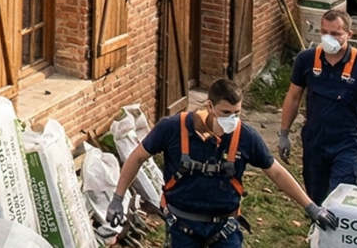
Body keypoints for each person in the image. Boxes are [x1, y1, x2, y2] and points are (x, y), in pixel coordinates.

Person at [108, 78, 337, 248]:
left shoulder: (245, 136)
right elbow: (137, 157)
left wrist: (311, 207)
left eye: (237, 113)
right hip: (183, 225)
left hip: (224, 227)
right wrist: (118, 198)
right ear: (209, 106)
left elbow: (275, 172)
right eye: (226, 112)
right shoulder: (172, 128)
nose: (233, 119)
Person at [278, 9, 357, 206]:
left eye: (336, 34)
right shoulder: (307, 59)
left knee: (341, 194)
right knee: (315, 197)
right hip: (315, 138)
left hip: (347, 139)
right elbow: (293, 97)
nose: (329, 38)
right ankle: (317, 232)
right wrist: (284, 134)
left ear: (349, 35)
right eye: (324, 32)